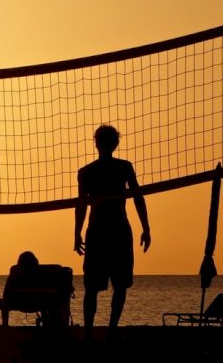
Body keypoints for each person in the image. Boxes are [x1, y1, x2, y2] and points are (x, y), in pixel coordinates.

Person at [74, 124, 151, 340]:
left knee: (94, 287)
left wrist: (77, 233)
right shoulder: (123, 167)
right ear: (115, 144)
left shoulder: (87, 172)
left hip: (98, 231)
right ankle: (111, 331)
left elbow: (81, 205)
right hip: (117, 230)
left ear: (96, 143)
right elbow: (138, 197)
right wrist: (146, 228)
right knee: (119, 285)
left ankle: (90, 334)